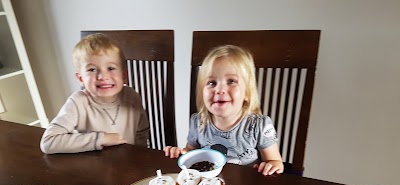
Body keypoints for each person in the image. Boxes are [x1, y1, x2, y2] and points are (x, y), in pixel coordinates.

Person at [164, 45, 284, 176]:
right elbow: (190, 151)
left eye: (231, 81)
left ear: (247, 93)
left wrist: (271, 165)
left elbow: (275, 161)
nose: (219, 89)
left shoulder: (258, 125)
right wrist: (180, 152)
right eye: (212, 83)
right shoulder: (198, 122)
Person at [40, 33, 149, 154]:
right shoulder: (78, 102)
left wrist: (141, 157)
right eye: (92, 70)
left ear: (124, 75)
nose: (103, 76)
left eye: (111, 68)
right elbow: (49, 142)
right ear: (81, 79)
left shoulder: (132, 97)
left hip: (128, 164)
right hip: (93, 167)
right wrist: (99, 139)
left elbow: (141, 133)